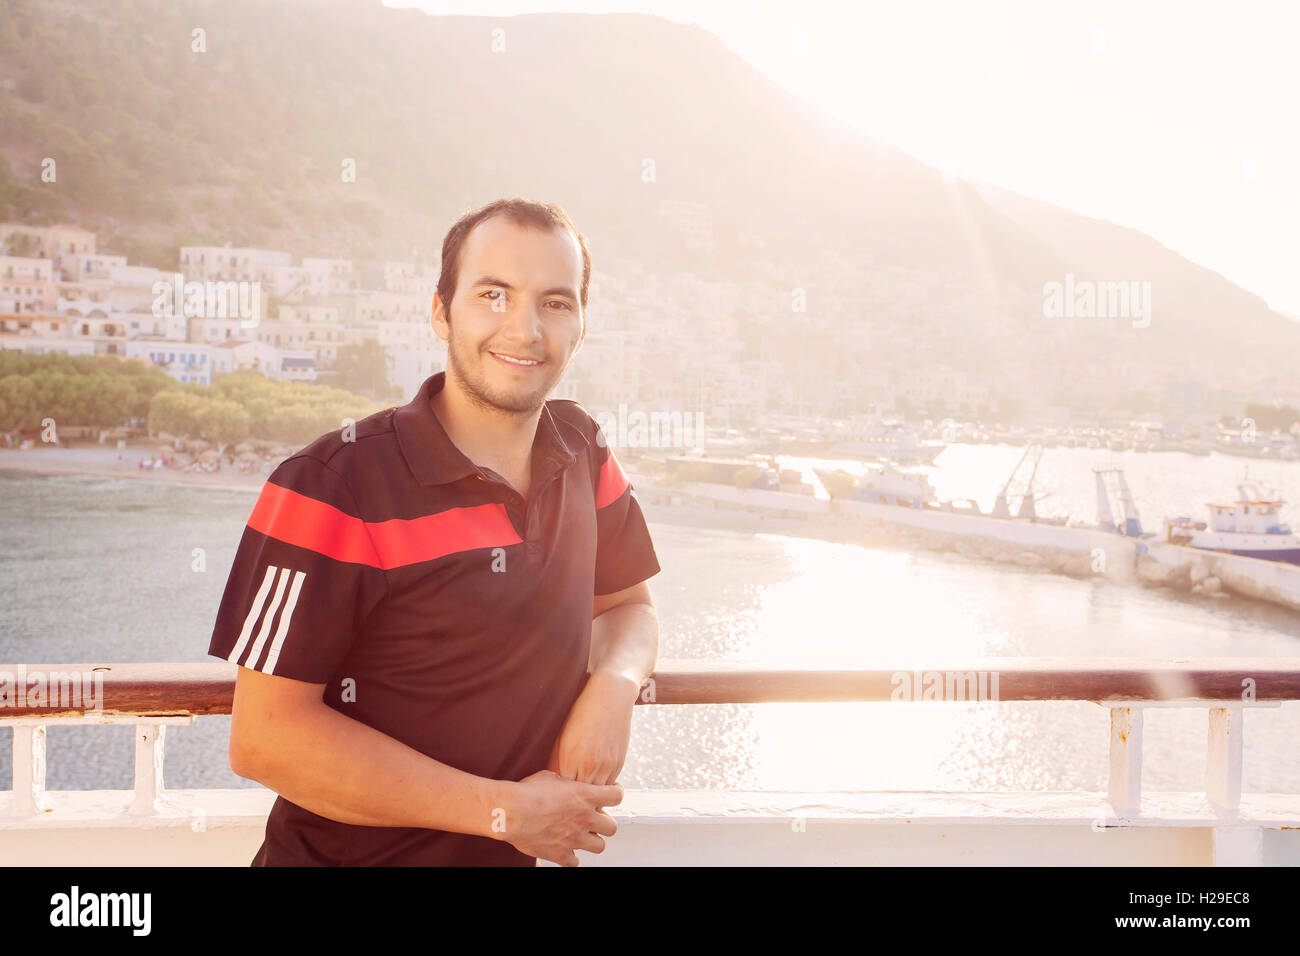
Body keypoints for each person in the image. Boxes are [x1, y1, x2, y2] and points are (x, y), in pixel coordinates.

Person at [209, 198, 660, 866]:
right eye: (492, 294)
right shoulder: (331, 483)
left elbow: (628, 606)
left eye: (555, 303)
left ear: (582, 323)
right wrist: (505, 813)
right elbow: (265, 738)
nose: (525, 328)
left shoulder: (583, 448)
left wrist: (614, 686)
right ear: (441, 311)